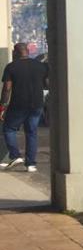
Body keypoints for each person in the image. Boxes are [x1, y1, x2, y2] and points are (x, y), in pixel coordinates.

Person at [0, 43, 49, 173]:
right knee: (31, 132)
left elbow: (7, 88)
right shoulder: (40, 66)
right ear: (28, 51)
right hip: (37, 104)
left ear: (15, 53)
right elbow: (47, 83)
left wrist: (3, 106)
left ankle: (16, 156)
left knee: (9, 129)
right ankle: (30, 164)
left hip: (18, 104)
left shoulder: (11, 67)